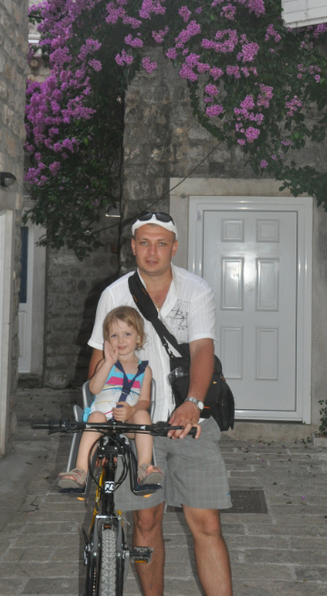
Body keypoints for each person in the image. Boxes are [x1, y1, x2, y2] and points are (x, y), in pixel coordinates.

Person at [88, 212, 233, 596]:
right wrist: (103, 428)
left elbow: (202, 349)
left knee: (207, 524)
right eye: (144, 243)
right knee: (147, 522)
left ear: (174, 247)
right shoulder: (114, 295)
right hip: (135, 427)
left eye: (161, 243)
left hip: (189, 422)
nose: (152, 252)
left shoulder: (195, 289)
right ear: (133, 247)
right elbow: (98, 363)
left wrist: (193, 402)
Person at [57, 306, 164, 489]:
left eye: (127, 334)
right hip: (101, 423)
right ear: (107, 341)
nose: (120, 340)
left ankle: (144, 467)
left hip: (128, 424)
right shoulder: (105, 364)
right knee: (96, 416)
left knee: (142, 415)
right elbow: (94, 388)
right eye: (114, 335)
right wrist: (108, 363)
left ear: (139, 338)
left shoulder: (144, 370)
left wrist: (132, 410)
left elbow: (145, 401)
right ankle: (80, 471)